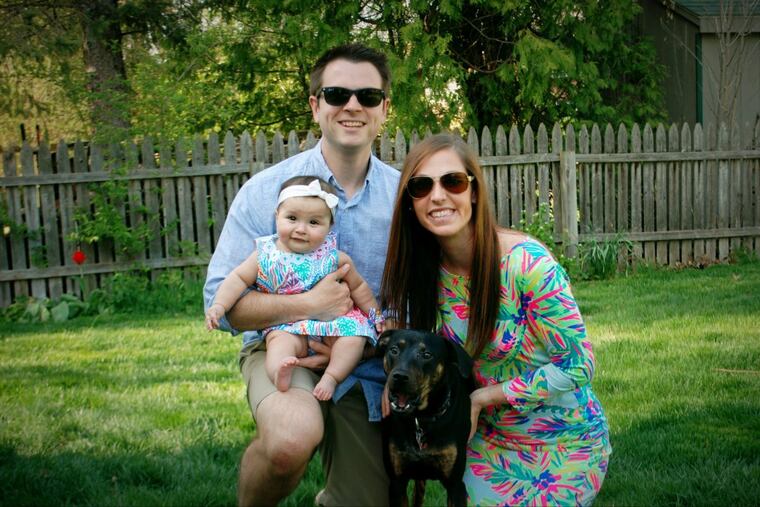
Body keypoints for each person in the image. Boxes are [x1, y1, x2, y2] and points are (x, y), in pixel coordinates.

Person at [204, 43, 398, 506]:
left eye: (368, 96)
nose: (353, 105)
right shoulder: (265, 192)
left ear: (384, 109)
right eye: (337, 94)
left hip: (362, 357)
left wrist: (384, 342)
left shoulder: (404, 196)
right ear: (315, 106)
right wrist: (308, 306)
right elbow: (222, 302)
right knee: (289, 442)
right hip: (283, 345)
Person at [380, 133, 611, 506]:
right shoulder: (425, 271)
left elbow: (579, 365)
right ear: (411, 202)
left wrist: (485, 396)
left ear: (473, 191)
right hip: (487, 438)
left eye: (452, 181)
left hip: (563, 437)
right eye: (421, 186)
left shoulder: (528, 265)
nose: (437, 196)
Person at [205, 176, 384, 401]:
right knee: (279, 343)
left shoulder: (334, 257)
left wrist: (376, 316)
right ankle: (280, 371)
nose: (301, 229)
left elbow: (359, 287)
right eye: (292, 218)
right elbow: (237, 279)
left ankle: (332, 377)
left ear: (329, 226)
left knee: (354, 338)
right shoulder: (264, 255)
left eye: (314, 222)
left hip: (335, 324)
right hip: (288, 325)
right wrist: (219, 306)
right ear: (276, 216)